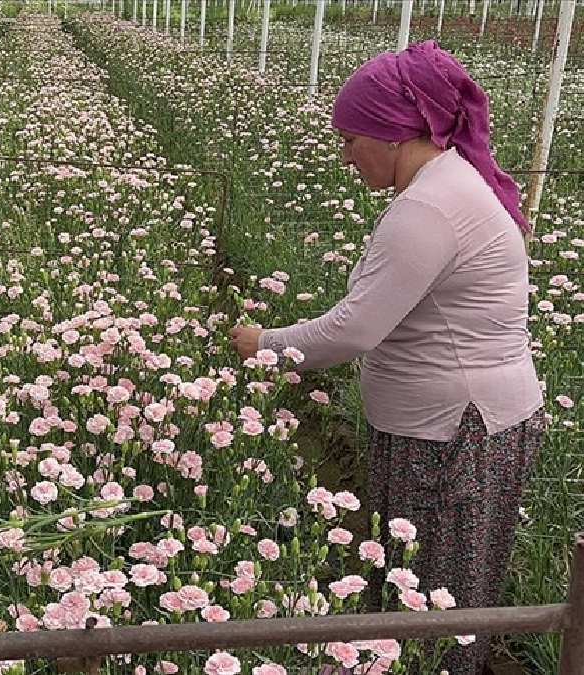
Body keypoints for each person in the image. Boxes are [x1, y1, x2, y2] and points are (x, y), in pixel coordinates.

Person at [229, 41, 544, 674]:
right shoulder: (450, 184)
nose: (346, 156)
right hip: (458, 427)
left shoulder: (428, 208)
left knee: (432, 602)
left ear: (393, 134)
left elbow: (354, 330)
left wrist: (262, 345)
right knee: (435, 589)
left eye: (352, 139)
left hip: (456, 436)